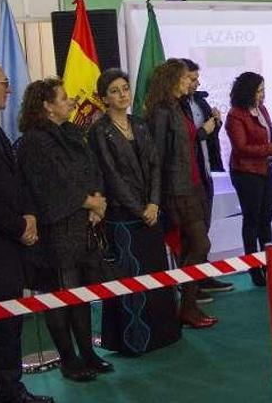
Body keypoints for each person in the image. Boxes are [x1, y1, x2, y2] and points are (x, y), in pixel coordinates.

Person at [16, 78, 111, 382]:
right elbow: (49, 185)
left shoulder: (71, 133)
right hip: (57, 232)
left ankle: (88, 353)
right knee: (60, 297)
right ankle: (68, 360)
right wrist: (88, 203)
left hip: (83, 226)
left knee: (82, 296)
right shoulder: (33, 141)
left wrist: (97, 203)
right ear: (46, 106)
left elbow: (90, 169)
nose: (71, 102)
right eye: (64, 98)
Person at [0, 57, 53, 403]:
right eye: (3, 83)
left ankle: (10, 389)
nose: (9, 89)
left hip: (10, 249)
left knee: (10, 323)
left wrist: (30, 215)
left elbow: (16, 181)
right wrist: (18, 225)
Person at [88, 69, 181, 355]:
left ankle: (163, 335)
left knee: (156, 274)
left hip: (150, 213)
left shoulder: (139, 124)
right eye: (115, 90)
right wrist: (139, 209)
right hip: (123, 217)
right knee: (129, 279)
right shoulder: (99, 131)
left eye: (125, 88)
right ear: (104, 97)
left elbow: (155, 166)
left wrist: (153, 204)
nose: (122, 94)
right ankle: (132, 341)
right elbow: (111, 175)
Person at [145, 58, 217, 327]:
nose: (190, 82)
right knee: (201, 245)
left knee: (191, 246)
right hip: (177, 191)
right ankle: (186, 306)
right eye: (186, 78)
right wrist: (158, 197)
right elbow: (158, 158)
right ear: (173, 79)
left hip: (193, 184)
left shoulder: (180, 106)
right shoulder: (162, 111)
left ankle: (188, 307)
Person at [225, 72, 272, 287]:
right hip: (246, 173)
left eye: (263, 90)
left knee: (266, 218)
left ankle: (269, 264)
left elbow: (266, 138)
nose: (263, 95)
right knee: (251, 220)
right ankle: (254, 267)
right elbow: (242, 148)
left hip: (265, 168)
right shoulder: (235, 115)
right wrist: (271, 148)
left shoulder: (262, 109)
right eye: (259, 90)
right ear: (248, 91)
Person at [181, 59, 233, 298]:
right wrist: (205, 130)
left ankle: (202, 277)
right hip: (186, 178)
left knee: (204, 230)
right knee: (192, 236)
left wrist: (216, 123)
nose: (196, 82)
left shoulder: (200, 100)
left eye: (196, 78)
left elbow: (207, 135)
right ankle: (189, 285)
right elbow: (186, 139)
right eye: (191, 79)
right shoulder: (173, 106)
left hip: (205, 171)